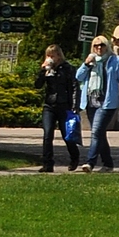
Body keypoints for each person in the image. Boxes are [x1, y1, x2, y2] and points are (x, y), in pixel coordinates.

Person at [75, 35, 119, 173]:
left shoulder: (115, 61)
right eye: (96, 46)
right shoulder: (91, 60)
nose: (99, 48)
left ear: (107, 46)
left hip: (106, 103)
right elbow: (78, 77)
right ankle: (108, 164)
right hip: (91, 102)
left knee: (96, 132)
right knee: (100, 134)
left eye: (102, 45)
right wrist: (86, 64)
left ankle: (90, 162)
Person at [35, 44, 80, 172]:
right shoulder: (48, 70)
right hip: (49, 105)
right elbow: (37, 85)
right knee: (48, 134)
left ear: (59, 56)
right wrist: (42, 71)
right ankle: (47, 163)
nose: (50, 58)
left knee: (67, 135)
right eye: (48, 56)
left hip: (63, 105)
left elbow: (74, 87)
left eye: (52, 55)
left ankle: (74, 157)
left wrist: (74, 106)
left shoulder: (67, 69)